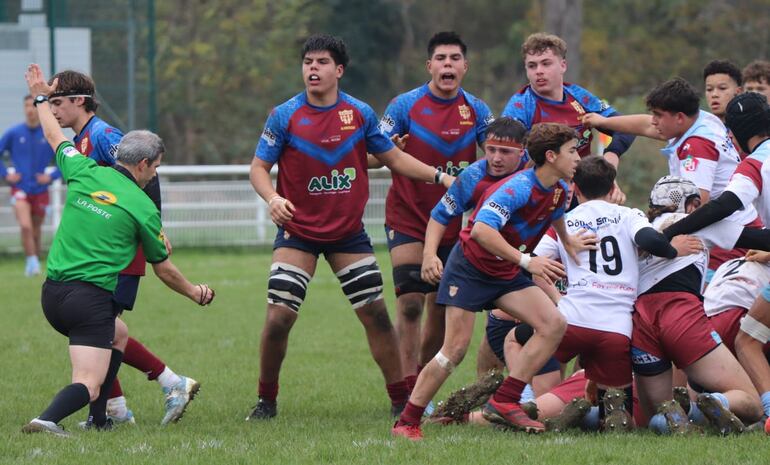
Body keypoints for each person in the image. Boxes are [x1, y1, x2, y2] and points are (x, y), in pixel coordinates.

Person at [247, 34, 454, 421]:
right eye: (308, 62)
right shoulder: (284, 115)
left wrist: (441, 177)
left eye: (322, 62)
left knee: (376, 315)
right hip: (298, 232)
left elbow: (393, 158)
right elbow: (258, 168)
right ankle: (266, 400)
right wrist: (272, 198)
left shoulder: (359, 113)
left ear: (339, 70)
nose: (313, 68)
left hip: (347, 233)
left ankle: (400, 401)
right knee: (278, 319)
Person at [20, 64, 214, 436]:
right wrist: (193, 291)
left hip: (93, 263)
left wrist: (155, 229)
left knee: (110, 332)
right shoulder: (94, 156)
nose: (54, 109)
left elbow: (54, 137)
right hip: (98, 270)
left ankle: (113, 411)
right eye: (51, 103)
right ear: (144, 164)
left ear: (80, 101)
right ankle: (134, 398)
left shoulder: (102, 141)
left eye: (58, 101)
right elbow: (163, 266)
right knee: (101, 339)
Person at [392, 122, 591, 440]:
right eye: (572, 151)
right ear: (551, 156)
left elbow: (554, 213)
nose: (578, 158)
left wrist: (568, 242)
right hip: (470, 270)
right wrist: (527, 261)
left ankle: (505, 400)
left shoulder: (559, 187)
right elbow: (482, 231)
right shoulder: (517, 188)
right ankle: (407, 421)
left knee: (553, 324)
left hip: (504, 271)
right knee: (454, 349)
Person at [512, 156, 702, 429]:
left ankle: (515, 399)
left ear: (575, 188)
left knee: (515, 340)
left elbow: (535, 264)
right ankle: (605, 417)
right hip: (615, 328)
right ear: (613, 187)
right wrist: (672, 250)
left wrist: (557, 298)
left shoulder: (565, 222)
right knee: (616, 408)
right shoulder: (629, 215)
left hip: (571, 320)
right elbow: (648, 239)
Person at [378, 31, 493, 393]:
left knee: (441, 308)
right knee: (411, 302)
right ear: (429, 65)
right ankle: (405, 389)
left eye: (454, 58)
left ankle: (420, 385)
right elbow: (369, 156)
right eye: (441, 58)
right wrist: (388, 151)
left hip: (451, 222)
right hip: (407, 216)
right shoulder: (404, 106)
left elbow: (498, 156)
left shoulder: (477, 110)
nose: (447, 64)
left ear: (465, 66)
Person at [583, 77, 761, 274]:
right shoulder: (701, 119)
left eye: (658, 115)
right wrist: (603, 121)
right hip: (735, 227)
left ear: (679, 118)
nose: (653, 120)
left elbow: (696, 203)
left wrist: (664, 241)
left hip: (727, 239)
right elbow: (646, 125)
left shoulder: (696, 147)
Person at [631, 175, 762, 434]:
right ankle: (705, 405)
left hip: (641, 321)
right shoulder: (699, 224)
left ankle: (682, 412)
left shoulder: (638, 229)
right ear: (691, 205)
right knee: (752, 403)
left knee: (656, 418)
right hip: (680, 312)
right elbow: (762, 239)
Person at [501, 32, 635, 204]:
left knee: (614, 204)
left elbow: (627, 128)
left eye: (546, 63)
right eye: (532, 66)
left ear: (563, 65)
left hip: (583, 189)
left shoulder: (579, 96)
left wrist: (609, 166)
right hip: (539, 193)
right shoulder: (520, 106)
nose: (539, 71)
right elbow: (508, 159)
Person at [0, 95, 59, 276]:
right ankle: (32, 263)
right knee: (25, 226)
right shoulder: (14, 133)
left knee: (35, 230)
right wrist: (6, 175)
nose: (29, 109)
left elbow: (65, 158)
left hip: (41, 190)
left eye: (33, 106)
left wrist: (51, 177)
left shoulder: (48, 133)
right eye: (26, 106)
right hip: (20, 188)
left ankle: (35, 261)